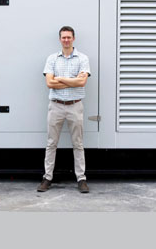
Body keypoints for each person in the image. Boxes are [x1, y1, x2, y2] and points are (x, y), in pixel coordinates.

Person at [37, 26, 91, 193]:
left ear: (73, 38)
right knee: (51, 143)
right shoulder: (52, 59)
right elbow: (49, 83)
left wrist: (59, 78)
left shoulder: (83, 58)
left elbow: (82, 82)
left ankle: (81, 179)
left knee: (78, 144)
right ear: (60, 39)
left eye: (69, 37)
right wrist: (72, 81)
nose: (66, 40)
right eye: (63, 37)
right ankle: (47, 178)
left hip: (75, 105)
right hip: (56, 106)